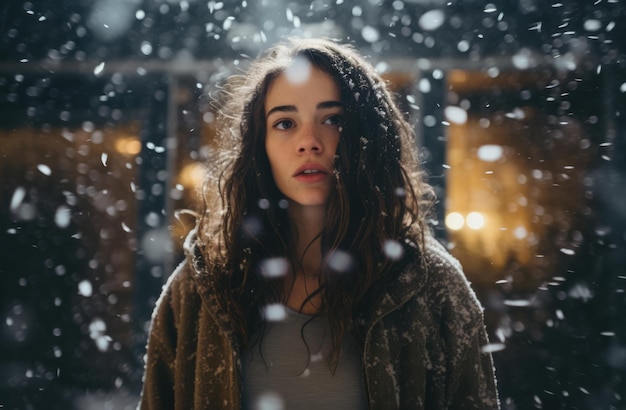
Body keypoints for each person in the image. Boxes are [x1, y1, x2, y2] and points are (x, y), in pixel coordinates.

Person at [138, 37, 499, 409]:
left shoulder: (428, 284)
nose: (308, 141)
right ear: (258, 144)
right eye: (284, 123)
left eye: (332, 119)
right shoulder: (204, 286)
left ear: (367, 136)